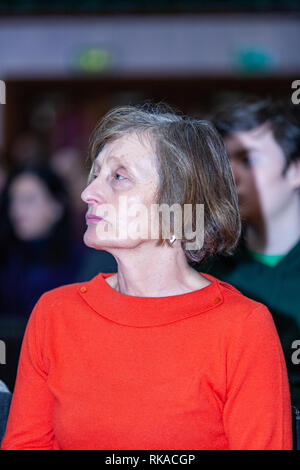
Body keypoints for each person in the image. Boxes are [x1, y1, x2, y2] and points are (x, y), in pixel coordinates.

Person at [1, 104, 292, 450]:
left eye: (119, 177)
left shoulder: (243, 326)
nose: (88, 193)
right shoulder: (55, 312)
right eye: (95, 174)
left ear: (180, 201)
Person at [196, 96, 300, 412]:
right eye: (224, 163)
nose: (230, 177)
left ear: (295, 170)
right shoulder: (207, 265)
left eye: (248, 160)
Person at [0, 164, 85, 391]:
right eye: (13, 200)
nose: (17, 210)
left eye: (28, 200)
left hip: (58, 378)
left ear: (56, 206)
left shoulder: (81, 264)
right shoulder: (6, 261)